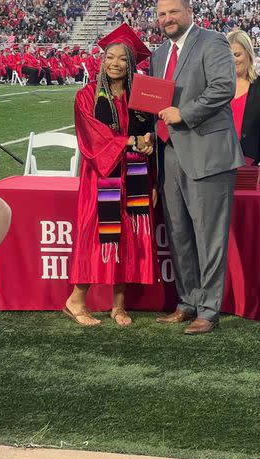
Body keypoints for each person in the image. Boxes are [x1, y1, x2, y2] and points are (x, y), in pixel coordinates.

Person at [152, 0, 244, 334]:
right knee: (179, 233)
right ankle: (187, 302)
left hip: (208, 152)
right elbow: (156, 103)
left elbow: (224, 86)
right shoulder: (160, 54)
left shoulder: (212, 40)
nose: (167, 19)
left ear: (189, 12)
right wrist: (152, 134)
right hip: (170, 152)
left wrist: (185, 113)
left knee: (209, 234)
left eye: (173, 12)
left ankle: (209, 309)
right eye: (161, 14)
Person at [64, 23, 158, 327]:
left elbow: (152, 132)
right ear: (101, 61)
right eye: (109, 57)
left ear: (131, 65)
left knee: (130, 238)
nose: (114, 64)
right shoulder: (88, 95)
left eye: (122, 59)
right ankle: (75, 301)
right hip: (101, 179)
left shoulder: (142, 96)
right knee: (99, 238)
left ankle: (119, 306)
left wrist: (149, 143)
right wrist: (129, 141)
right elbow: (93, 139)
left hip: (135, 178)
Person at [227, 29, 260, 165]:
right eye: (228, 55)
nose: (233, 60)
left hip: (252, 164)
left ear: (248, 54)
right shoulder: (216, 87)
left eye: (237, 54)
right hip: (221, 164)